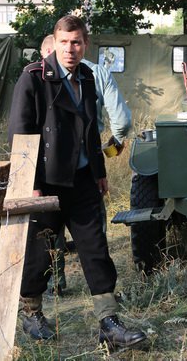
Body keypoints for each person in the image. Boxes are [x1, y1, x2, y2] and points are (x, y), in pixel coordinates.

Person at [8, 15, 146, 348]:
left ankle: (110, 325)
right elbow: (20, 133)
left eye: (77, 42)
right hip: (45, 181)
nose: (71, 49)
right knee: (41, 252)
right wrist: (32, 183)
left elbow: (90, 130)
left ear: (85, 44)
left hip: (83, 180)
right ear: (54, 43)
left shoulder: (87, 75)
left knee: (96, 249)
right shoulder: (33, 78)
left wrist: (99, 171)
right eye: (65, 42)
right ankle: (31, 312)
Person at [39, 35, 132, 295]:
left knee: (50, 226)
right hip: (85, 162)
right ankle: (100, 285)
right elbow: (122, 120)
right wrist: (116, 141)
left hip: (52, 166)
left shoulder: (40, 76)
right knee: (92, 230)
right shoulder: (97, 72)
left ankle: (55, 282)